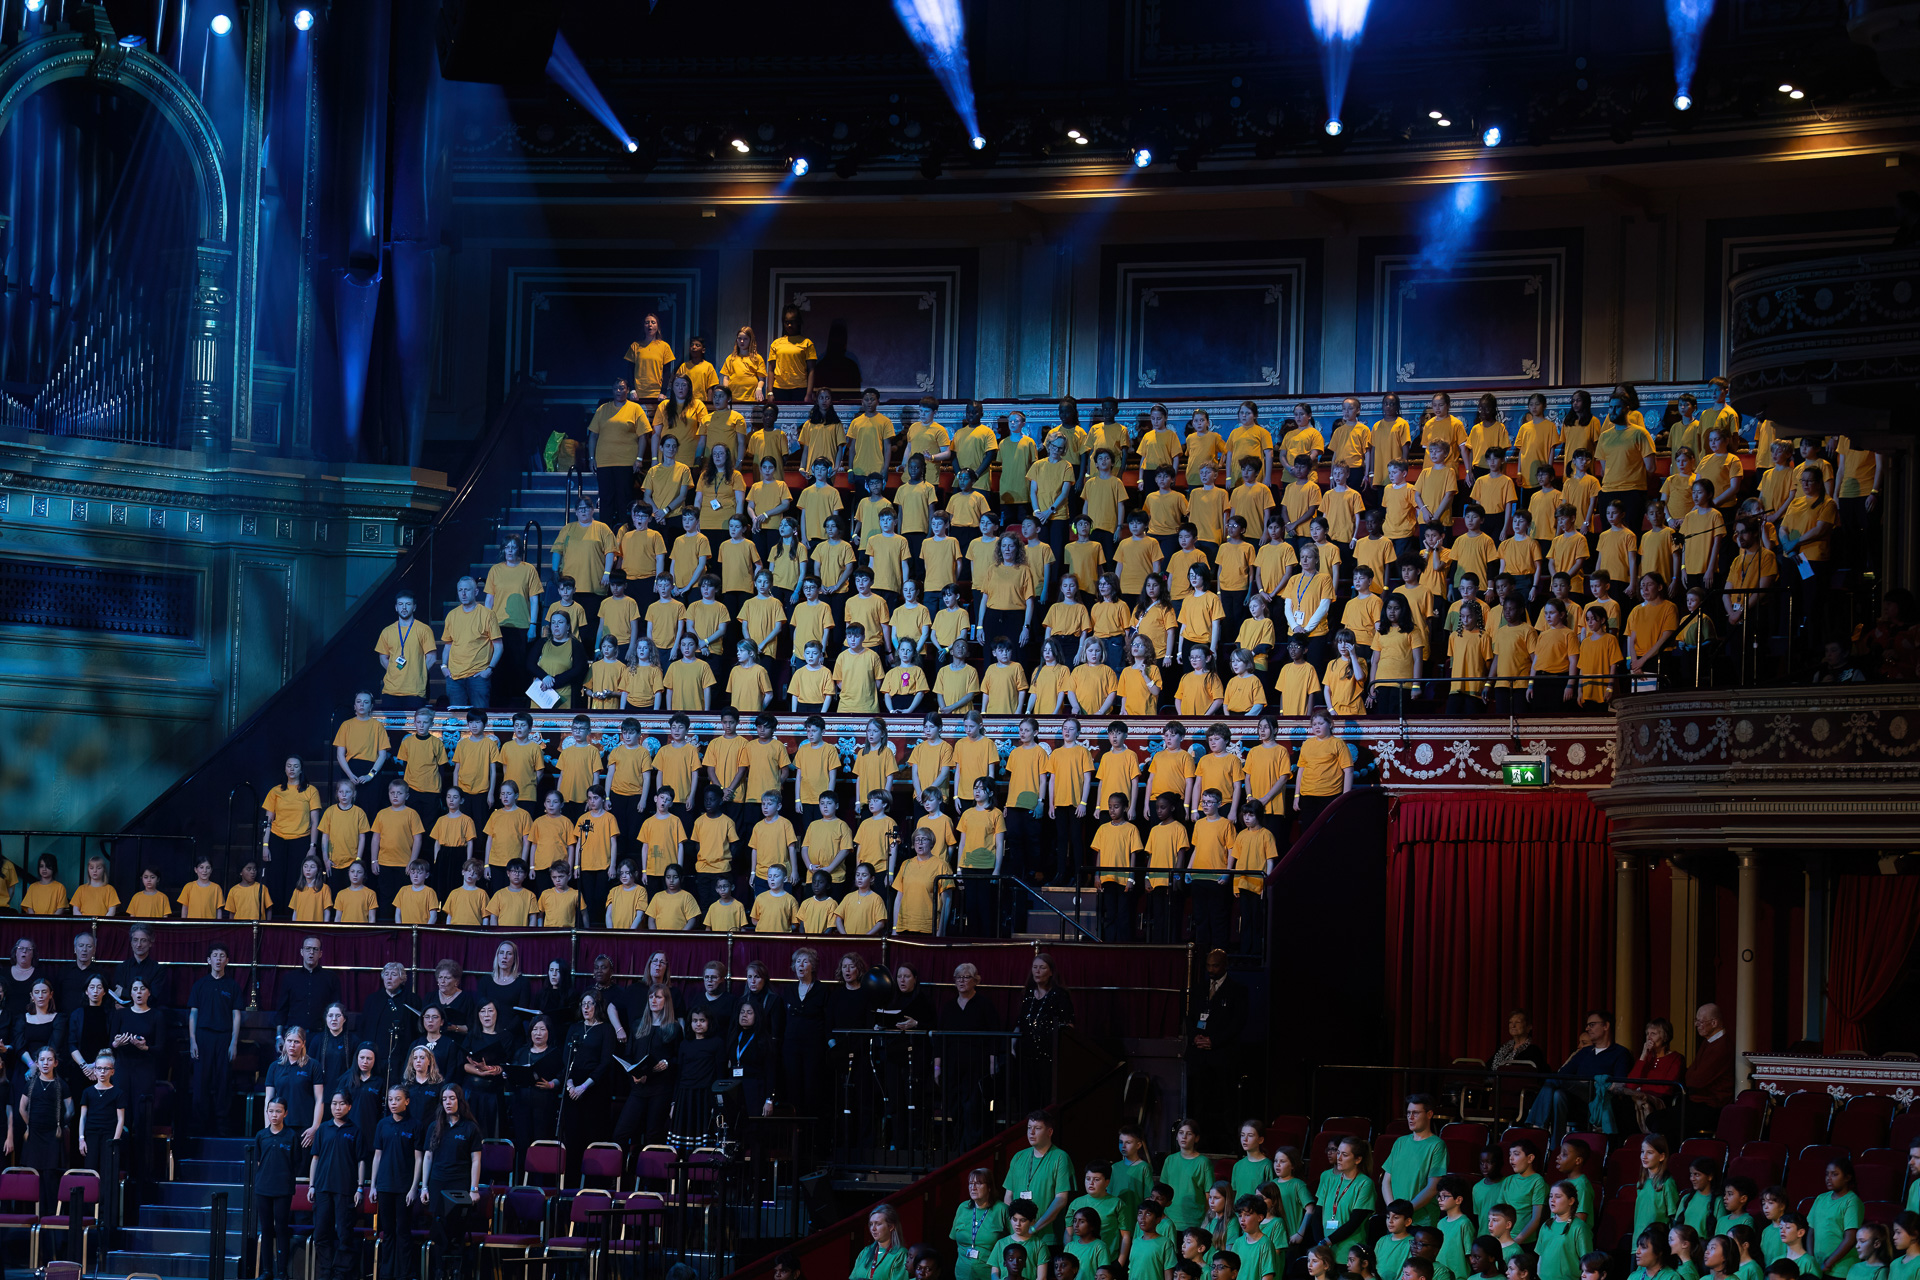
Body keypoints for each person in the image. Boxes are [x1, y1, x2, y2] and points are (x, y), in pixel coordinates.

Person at [1524, 1011, 1634, 1135]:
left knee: (1553, 1080)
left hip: (1598, 1093)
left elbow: (1619, 1082)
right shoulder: (1584, 1052)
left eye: (1592, 1025)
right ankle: (1556, 1143)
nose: (1587, 1029)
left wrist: (1590, 1082)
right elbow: (1563, 1073)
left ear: (1606, 1026)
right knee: (1558, 1095)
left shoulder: (1620, 1053)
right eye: (1587, 1025)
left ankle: (1537, 1127)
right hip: (1576, 1096)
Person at [421, 1084, 483, 1280]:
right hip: (438, 1183)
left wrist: (474, 1189)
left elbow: (476, 1160)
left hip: (459, 1184)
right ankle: (439, 1271)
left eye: (452, 1098)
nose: (448, 1102)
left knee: (457, 1230)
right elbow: (428, 1157)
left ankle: (456, 1272)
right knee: (439, 1229)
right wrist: (424, 1186)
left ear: (459, 1101)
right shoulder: (434, 1126)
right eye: (444, 1099)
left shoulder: (470, 1127)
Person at [1189, 951, 1247, 1146]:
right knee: (1199, 1101)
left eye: (1215, 966)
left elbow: (1237, 1023)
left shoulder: (1237, 991)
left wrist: (1213, 1041)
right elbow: (1190, 1017)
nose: (1211, 970)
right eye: (1208, 965)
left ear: (1225, 965)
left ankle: (1229, 1142)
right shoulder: (1199, 989)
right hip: (1200, 1057)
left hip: (1223, 1057)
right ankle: (1198, 1140)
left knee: (1226, 1101)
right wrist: (1195, 1037)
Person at [310, 1091, 365, 1280]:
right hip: (323, 1187)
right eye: (334, 1103)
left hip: (345, 1189)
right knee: (321, 1233)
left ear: (349, 1106)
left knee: (344, 1233)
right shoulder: (323, 1129)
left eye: (341, 1104)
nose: (337, 1107)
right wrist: (311, 1185)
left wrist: (360, 1187)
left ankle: (341, 1273)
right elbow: (315, 1158)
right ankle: (326, 1271)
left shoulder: (355, 1131)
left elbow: (361, 1161)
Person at [1018, 954, 1075, 1111]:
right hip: (1028, 1056)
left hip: (1050, 1058)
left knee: (1047, 1099)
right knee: (1029, 1099)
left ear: (1051, 972)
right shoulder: (1028, 993)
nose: (1037, 971)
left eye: (1042, 968)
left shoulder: (1059, 994)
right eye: (1035, 967)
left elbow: (1069, 1025)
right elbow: (1021, 1021)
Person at [253, 1097, 302, 1280]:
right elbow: (259, 1161)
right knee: (266, 1228)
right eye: (271, 1111)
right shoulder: (261, 1135)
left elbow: (296, 1162)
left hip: (283, 1189)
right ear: (267, 1112)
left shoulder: (291, 1136)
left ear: (285, 1113)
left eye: (278, 1111)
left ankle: (282, 1271)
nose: (274, 1115)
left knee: (281, 1228)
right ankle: (267, 1271)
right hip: (263, 1188)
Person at [277, 936, 343, 1052]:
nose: (311, 952)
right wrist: (278, 1036)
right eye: (308, 948)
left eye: (315, 949)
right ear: (302, 952)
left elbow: (336, 1010)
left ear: (320, 953)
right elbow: (282, 1010)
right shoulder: (290, 978)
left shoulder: (331, 978)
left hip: (322, 1036)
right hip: (294, 1036)